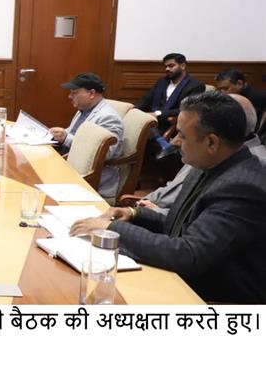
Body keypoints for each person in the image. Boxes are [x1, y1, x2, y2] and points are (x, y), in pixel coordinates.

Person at [71, 91, 266, 303]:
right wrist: (134, 214)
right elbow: (183, 224)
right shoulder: (209, 164)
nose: (174, 141)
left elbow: (188, 254)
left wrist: (112, 229)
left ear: (212, 143)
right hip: (182, 280)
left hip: (212, 299)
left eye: (182, 135)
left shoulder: (242, 187)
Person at [138, 93, 266, 214]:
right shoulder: (205, 151)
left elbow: (200, 221)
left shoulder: (253, 169)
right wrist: (137, 210)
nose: (174, 142)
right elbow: (173, 190)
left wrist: (153, 212)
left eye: (182, 135)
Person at [48, 72, 124, 198]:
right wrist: (57, 135)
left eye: (74, 93)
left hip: (92, 181)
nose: (69, 96)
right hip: (70, 166)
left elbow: (104, 153)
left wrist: (66, 138)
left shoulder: (108, 118)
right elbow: (72, 133)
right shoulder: (83, 110)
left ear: (91, 93)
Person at [134, 53, 205, 159]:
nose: (167, 69)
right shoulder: (162, 81)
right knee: (136, 124)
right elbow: (146, 98)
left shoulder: (195, 86)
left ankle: (163, 146)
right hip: (153, 119)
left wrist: (158, 114)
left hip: (173, 122)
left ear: (182, 66)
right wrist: (133, 110)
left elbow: (187, 109)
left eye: (171, 66)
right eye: (166, 66)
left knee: (145, 128)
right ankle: (163, 145)